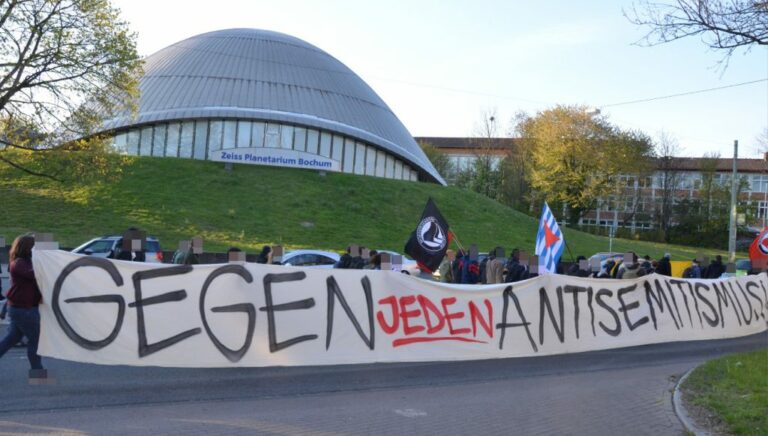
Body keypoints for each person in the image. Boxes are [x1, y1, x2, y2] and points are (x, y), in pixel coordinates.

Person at [0, 234, 44, 374]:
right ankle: (37, 372)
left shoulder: (24, 262)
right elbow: (34, 274)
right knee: (35, 340)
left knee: (12, 339)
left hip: (20, 307)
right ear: (28, 248)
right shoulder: (19, 263)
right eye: (35, 246)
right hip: (24, 309)